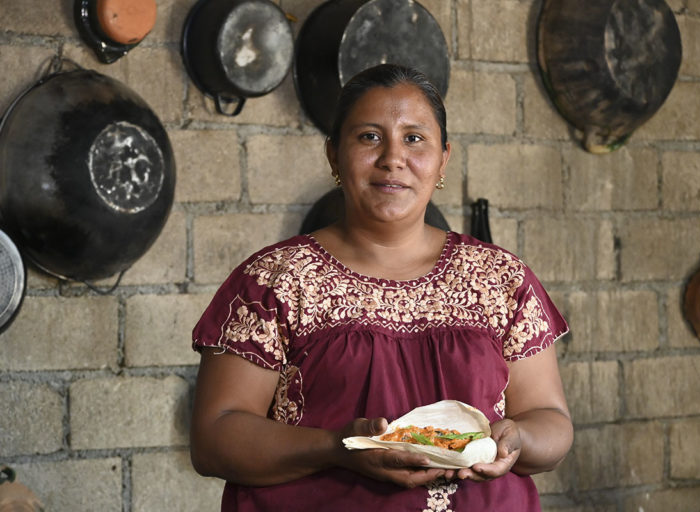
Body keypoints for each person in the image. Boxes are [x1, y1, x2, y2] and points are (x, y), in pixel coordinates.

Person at [190, 63, 573, 511]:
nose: (393, 158)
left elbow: (551, 421)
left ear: (443, 158)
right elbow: (214, 438)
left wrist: (518, 437)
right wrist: (338, 447)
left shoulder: (500, 278)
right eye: (369, 136)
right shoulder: (275, 280)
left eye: (414, 138)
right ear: (334, 155)